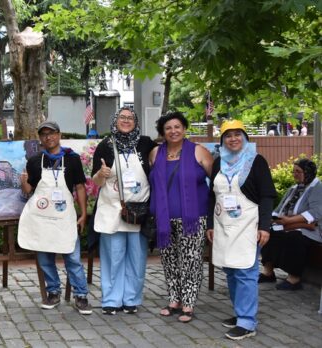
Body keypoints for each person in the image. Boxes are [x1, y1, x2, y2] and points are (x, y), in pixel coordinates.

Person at [206, 120, 276, 340]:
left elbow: (267, 196)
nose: (233, 139)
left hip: (248, 225)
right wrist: (210, 224)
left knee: (246, 271)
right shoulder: (218, 162)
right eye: (228, 135)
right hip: (223, 224)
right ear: (222, 140)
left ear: (245, 137)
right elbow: (212, 196)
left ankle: (247, 321)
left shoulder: (256, 161)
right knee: (231, 269)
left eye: (238, 134)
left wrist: (265, 226)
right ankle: (240, 313)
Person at [18, 121, 93, 314]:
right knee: (45, 258)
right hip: (42, 218)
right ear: (40, 138)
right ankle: (53, 292)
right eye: (43, 134)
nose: (48, 137)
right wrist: (23, 182)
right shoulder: (35, 161)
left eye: (51, 133)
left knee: (73, 257)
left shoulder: (72, 159)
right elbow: (30, 191)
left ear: (59, 135)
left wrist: (83, 213)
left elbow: (79, 187)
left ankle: (81, 295)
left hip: (65, 217)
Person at [148, 111, 213, 323]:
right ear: (162, 132)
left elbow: (217, 182)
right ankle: (174, 300)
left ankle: (188, 303)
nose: (173, 131)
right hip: (165, 219)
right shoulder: (155, 153)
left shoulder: (199, 151)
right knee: (169, 261)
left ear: (184, 129)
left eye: (177, 127)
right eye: (168, 128)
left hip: (193, 218)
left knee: (191, 261)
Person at [91, 108, 156, 315]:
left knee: (137, 259)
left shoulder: (146, 144)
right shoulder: (105, 146)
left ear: (136, 122)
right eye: (122, 117)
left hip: (139, 211)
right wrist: (101, 174)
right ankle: (111, 299)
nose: (126, 121)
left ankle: (131, 299)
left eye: (130, 118)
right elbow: (96, 182)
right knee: (113, 257)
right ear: (115, 120)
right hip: (112, 209)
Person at [260, 158, 321, 290]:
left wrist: (289, 220)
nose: (295, 174)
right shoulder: (294, 188)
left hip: (311, 230)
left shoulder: (317, 188)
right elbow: (280, 208)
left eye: (298, 172)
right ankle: (268, 272)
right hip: (287, 225)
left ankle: (294, 278)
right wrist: (272, 217)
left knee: (294, 238)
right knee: (269, 232)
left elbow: (316, 212)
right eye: (293, 171)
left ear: (308, 172)